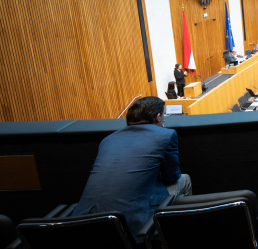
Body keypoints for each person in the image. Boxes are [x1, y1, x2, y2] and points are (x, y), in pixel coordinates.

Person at [72, 97, 192, 235]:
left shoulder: (109, 139)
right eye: (163, 116)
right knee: (184, 179)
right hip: (129, 224)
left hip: (83, 223)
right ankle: (180, 236)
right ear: (157, 117)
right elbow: (172, 177)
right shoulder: (165, 135)